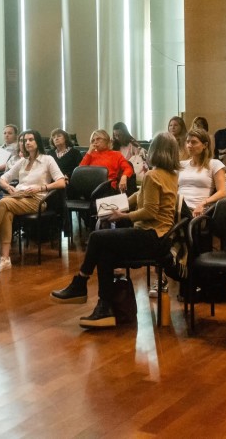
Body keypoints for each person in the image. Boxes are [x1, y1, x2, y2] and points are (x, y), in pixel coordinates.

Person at [50, 132, 180, 328]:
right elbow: (139, 196)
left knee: (96, 237)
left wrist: (123, 215)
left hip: (149, 236)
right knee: (105, 252)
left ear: (155, 150)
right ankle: (104, 309)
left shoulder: (153, 175)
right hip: (161, 239)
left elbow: (150, 212)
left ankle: (81, 283)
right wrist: (116, 205)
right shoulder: (171, 175)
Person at [0, 129, 67, 271]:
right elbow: (2, 178)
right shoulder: (23, 161)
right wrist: (8, 188)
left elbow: (61, 182)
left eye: (31, 139)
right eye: (25, 140)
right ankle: (5, 259)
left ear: (38, 142)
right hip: (17, 198)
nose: (27, 143)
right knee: (6, 212)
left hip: (36, 200)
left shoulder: (47, 159)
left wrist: (41, 188)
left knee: (3, 203)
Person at [179, 128, 226, 217]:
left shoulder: (214, 164)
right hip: (177, 207)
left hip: (196, 210)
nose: (189, 145)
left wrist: (203, 203)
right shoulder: (181, 164)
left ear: (205, 145)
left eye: (193, 142)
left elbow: (223, 192)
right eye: (187, 142)